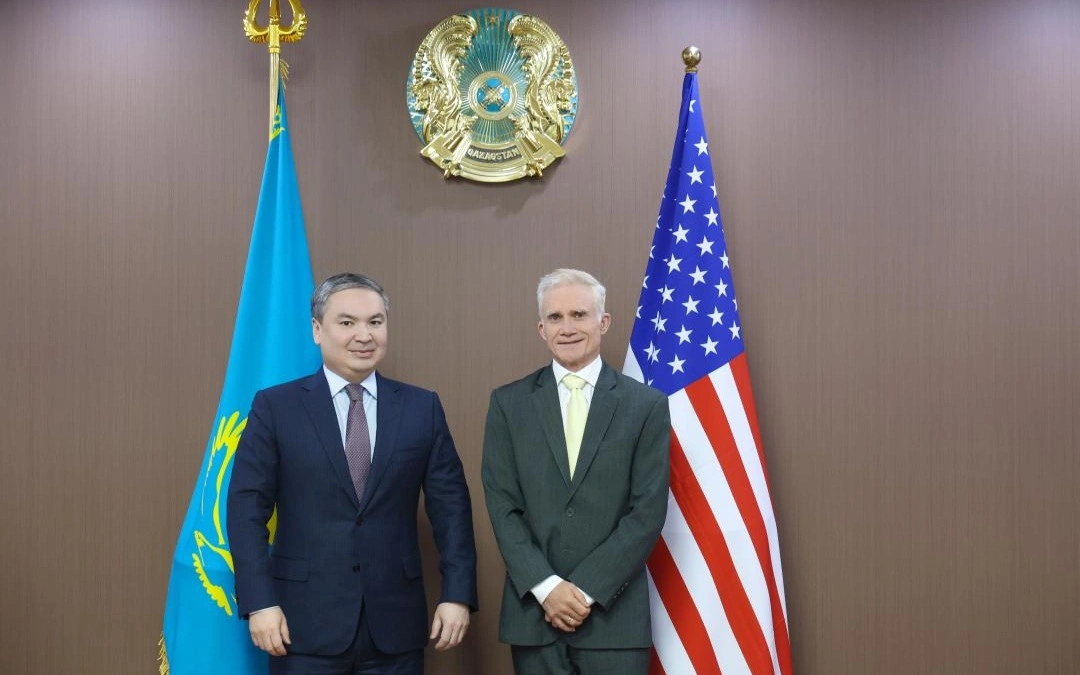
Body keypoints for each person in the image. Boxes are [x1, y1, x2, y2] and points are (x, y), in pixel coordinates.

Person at [227, 273, 477, 675]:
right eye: (347, 322)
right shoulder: (276, 407)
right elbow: (246, 511)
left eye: (375, 322)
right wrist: (260, 602)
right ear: (317, 330)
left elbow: (452, 510)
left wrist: (457, 595)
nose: (364, 335)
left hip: (396, 629)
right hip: (300, 627)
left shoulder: (421, 408)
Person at [482, 268, 670, 675]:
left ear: (604, 322)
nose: (566, 327)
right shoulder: (508, 404)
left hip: (614, 620)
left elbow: (647, 512)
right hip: (535, 617)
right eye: (555, 317)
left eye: (579, 314)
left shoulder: (646, 405)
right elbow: (502, 507)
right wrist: (548, 588)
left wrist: (584, 591)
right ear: (541, 329)